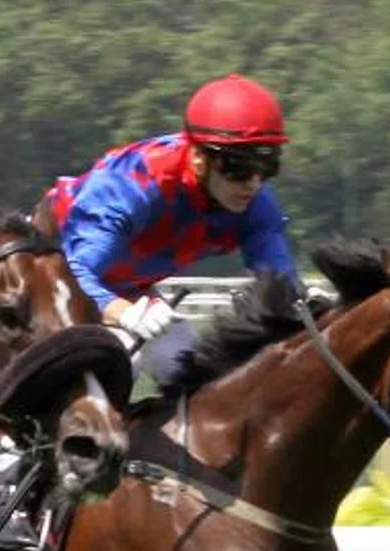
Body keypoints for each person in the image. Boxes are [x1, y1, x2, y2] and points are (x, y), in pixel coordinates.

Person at [39, 73, 300, 389]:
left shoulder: (257, 206)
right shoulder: (136, 187)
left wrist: (307, 306)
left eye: (267, 167)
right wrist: (125, 314)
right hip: (46, 276)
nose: (253, 183)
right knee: (122, 359)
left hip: (124, 286)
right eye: (239, 167)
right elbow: (71, 274)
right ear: (199, 157)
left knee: (192, 368)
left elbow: (283, 286)